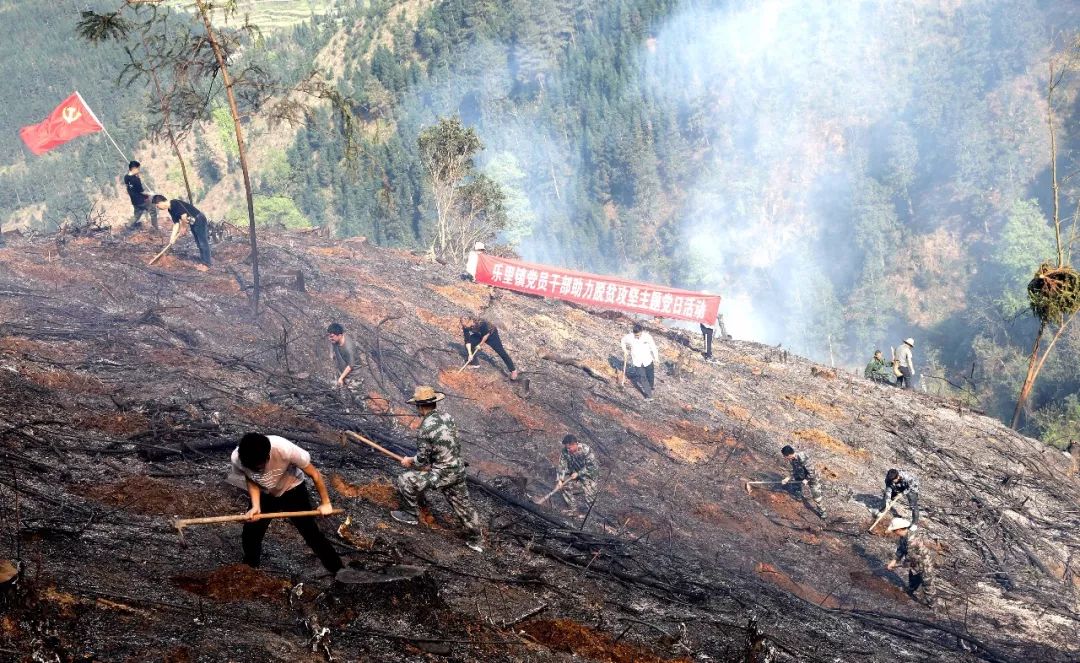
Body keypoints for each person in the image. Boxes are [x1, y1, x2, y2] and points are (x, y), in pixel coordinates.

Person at [230, 433, 345, 577]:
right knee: (251, 532)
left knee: (310, 532)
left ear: (268, 457)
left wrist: (326, 503)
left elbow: (315, 474)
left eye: (259, 467)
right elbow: (250, 478)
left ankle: (338, 569)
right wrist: (255, 505)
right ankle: (250, 569)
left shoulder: (284, 449)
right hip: (266, 493)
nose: (256, 470)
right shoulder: (237, 458)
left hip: (293, 489)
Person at [391, 385, 484, 553]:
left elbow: (421, 461)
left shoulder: (425, 427)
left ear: (420, 406)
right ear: (433, 403)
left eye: (417, 406)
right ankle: (476, 540)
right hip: (458, 469)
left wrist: (408, 460)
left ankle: (410, 515)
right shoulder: (448, 417)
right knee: (463, 505)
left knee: (405, 479)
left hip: (442, 473)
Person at [152, 194, 211, 269]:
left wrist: (183, 227)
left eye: (157, 206)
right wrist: (172, 238)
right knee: (198, 242)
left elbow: (184, 216)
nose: (158, 208)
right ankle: (203, 262)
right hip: (193, 222)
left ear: (160, 202)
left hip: (199, 219)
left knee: (202, 242)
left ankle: (207, 264)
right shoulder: (170, 209)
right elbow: (176, 224)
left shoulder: (174, 203)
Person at [885, 518, 935, 606]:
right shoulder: (903, 537)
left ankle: (932, 604)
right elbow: (901, 549)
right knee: (913, 576)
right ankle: (911, 589)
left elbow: (910, 557)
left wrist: (904, 563)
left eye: (894, 531)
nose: (893, 532)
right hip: (914, 562)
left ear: (899, 529)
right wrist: (893, 561)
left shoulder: (912, 539)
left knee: (927, 583)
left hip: (924, 563)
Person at [461, 315, 518, 380]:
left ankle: (513, 370)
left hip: (491, 335)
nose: (464, 327)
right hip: (479, 334)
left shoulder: (481, 323)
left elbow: (486, 335)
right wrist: (470, 353)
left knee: (501, 351)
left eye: (465, 325)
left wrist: (480, 345)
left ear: (470, 321)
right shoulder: (465, 326)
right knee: (470, 343)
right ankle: (475, 364)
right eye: (463, 325)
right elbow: (467, 340)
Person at [556, 434, 599, 512]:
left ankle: (590, 514)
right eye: (566, 448)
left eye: (569, 448)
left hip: (588, 476)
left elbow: (592, 467)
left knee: (590, 494)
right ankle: (573, 509)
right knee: (563, 486)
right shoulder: (565, 451)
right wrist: (560, 480)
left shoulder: (585, 450)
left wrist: (579, 473)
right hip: (574, 475)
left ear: (576, 444)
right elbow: (562, 465)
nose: (568, 450)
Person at [780, 445, 825, 517]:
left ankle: (822, 512)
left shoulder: (802, 457)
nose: (785, 458)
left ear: (789, 454)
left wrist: (806, 479)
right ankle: (798, 495)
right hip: (802, 475)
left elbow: (812, 472)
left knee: (816, 497)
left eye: (785, 456)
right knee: (796, 480)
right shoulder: (792, 460)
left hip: (813, 478)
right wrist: (788, 478)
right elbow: (795, 471)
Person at [621, 323, 659, 401]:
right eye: (636, 335)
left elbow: (653, 347)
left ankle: (650, 386)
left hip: (648, 360)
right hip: (637, 361)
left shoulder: (647, 337)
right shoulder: (629, 337)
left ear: (641, 331)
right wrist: (625, 350)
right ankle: (649, 396)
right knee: (642, 377)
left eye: (638, 335)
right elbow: (622, 341)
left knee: (650, 376)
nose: (637, 337)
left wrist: (656, 358)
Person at [326, 322, 362, 397]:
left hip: (353, 376)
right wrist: (331, 353)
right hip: (342, 370)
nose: (330, 338)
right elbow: (332, 343)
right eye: (329, 336)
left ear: (339, 335)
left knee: (355, 398)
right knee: (337, 393)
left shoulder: (348, 348)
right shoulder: (335, 339)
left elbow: (351, 366)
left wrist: (341, 378)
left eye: (331, 336)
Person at [123, 160, 157, 231]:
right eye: (138, 169)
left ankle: (129, 225)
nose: (139, 170)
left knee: (137, 215)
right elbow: (142, 192)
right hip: (142, 201)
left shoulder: (126, 177)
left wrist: (136, 177)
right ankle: (155, 228)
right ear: (134, 168)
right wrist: (151, 194)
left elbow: (128, 186)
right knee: (153, 211)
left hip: (134, 201)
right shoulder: (136, 180)